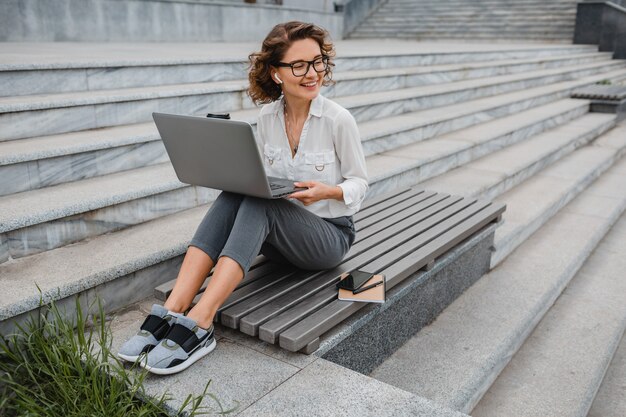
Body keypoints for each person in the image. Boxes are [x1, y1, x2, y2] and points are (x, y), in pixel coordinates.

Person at [118, 21, 368, 375]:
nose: (312, 73)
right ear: (276, 73)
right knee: (239, 192)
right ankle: (174, 307)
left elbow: (360, 182)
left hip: (328, 237)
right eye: (299, 65)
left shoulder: (338, 120)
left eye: (317, 62)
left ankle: (202, 322)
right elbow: (261, 180)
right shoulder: (267, 118)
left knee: (259, 201)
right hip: (280, 239)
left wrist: (328, 191)